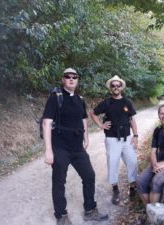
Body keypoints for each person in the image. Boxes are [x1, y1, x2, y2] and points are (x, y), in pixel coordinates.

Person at [42, 68, 108, 225]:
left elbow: (84, 119)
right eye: (68, 76)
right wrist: (48, 150)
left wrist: (86, 137)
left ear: (78, 80)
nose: (71, 79)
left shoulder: (80, 98)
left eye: (74, 77)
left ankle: (90, 211)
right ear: (63, 79)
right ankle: (61, 216)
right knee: (59, 181)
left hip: (77, 147)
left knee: (89, 176)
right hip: (60, 147)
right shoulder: (55, 97)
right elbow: (47, 122)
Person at [90, 75, 139, 205]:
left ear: (121, 88)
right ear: (110, 88)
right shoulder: (106, 102)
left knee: (132, 161)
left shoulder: (127, 102)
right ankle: (115, 189)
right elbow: (93, 113)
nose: (116, 87)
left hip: (127, 138)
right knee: (113, 164)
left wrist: (135, 135)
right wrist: (101, 125)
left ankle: (133, 188)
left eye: (118, 85)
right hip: (112, 138)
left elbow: (132, 119)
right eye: (113, 86)